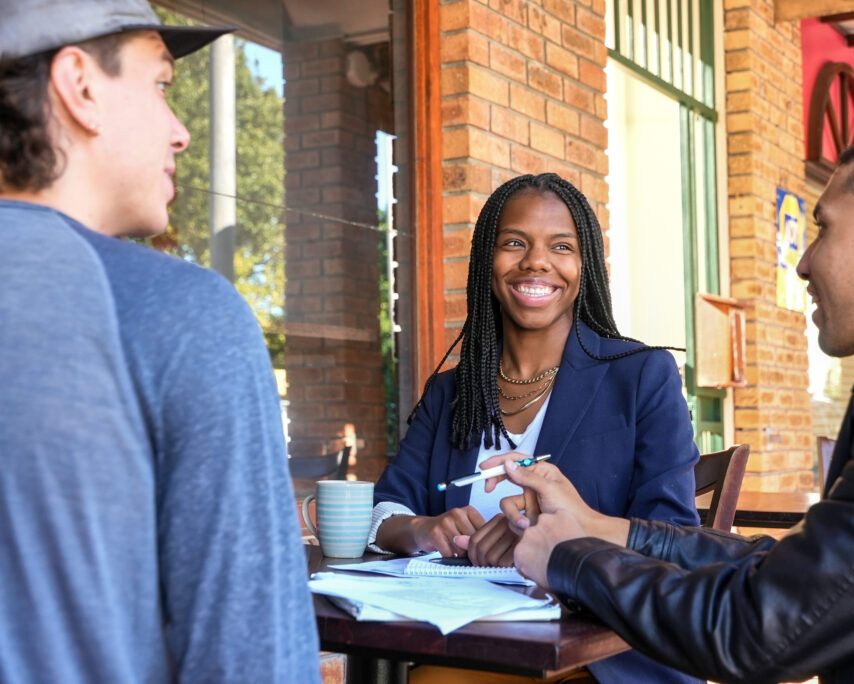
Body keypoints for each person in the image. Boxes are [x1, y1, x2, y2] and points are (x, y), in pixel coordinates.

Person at [501, 124, 854, 682]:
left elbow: (763, 628)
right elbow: (802, 574)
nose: (803, 263)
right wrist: (606, 530)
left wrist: (569, 559)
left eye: (822, 229)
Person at [0, 2, 320, 682]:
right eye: (161, 86)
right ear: (80, 86)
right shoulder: (182, 314)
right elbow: (255, 664)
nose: (180, 133)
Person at [370, 173, 703, 683]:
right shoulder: (450, 394)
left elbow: (672, 539)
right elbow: (385, 508)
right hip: (470, 636)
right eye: (514, 243)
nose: (536, 262)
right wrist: (421, 529)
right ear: (488, 262)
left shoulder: (640, 377)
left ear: (583, 265)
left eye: (561, 246)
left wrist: (557, 540)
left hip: (601, 654)